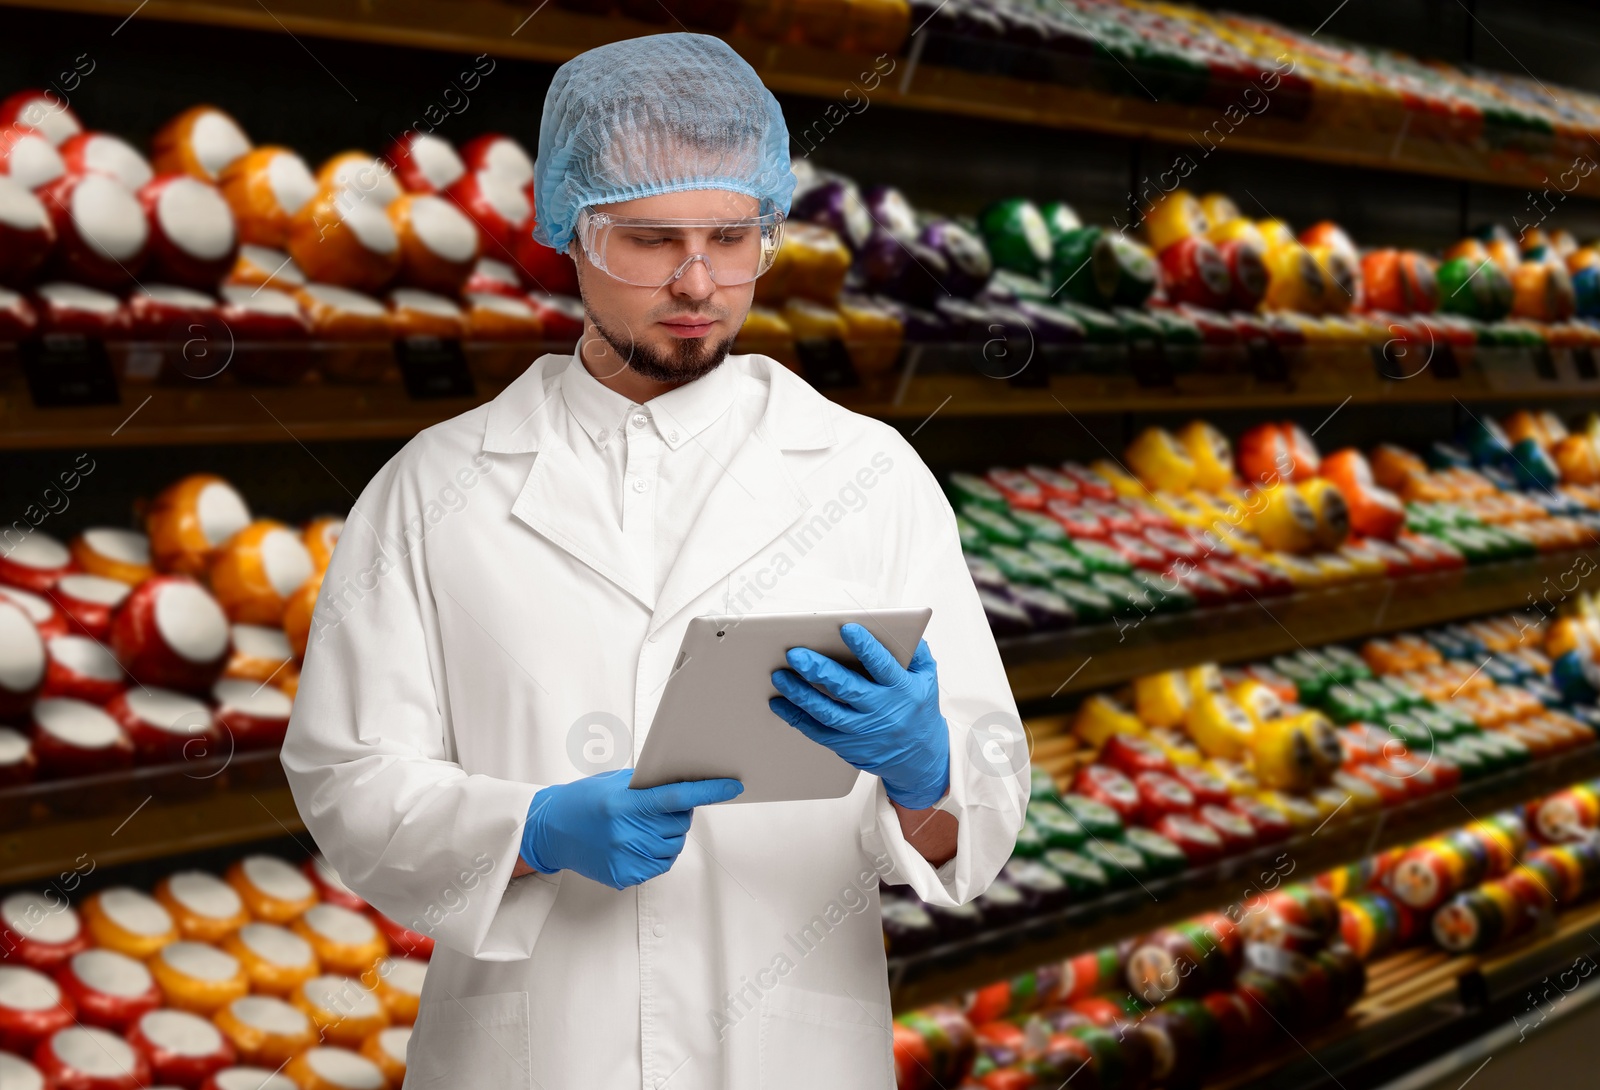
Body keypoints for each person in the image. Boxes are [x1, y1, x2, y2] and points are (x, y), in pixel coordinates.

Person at [281, 31, 1027, 1090]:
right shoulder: (433, 489)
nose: (697, 281)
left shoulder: (867, 474)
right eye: (650, 239)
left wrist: (924, 774)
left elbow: (982, 800)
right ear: (570, 235)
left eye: (732, 237)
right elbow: (344, 776)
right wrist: (528, 829)